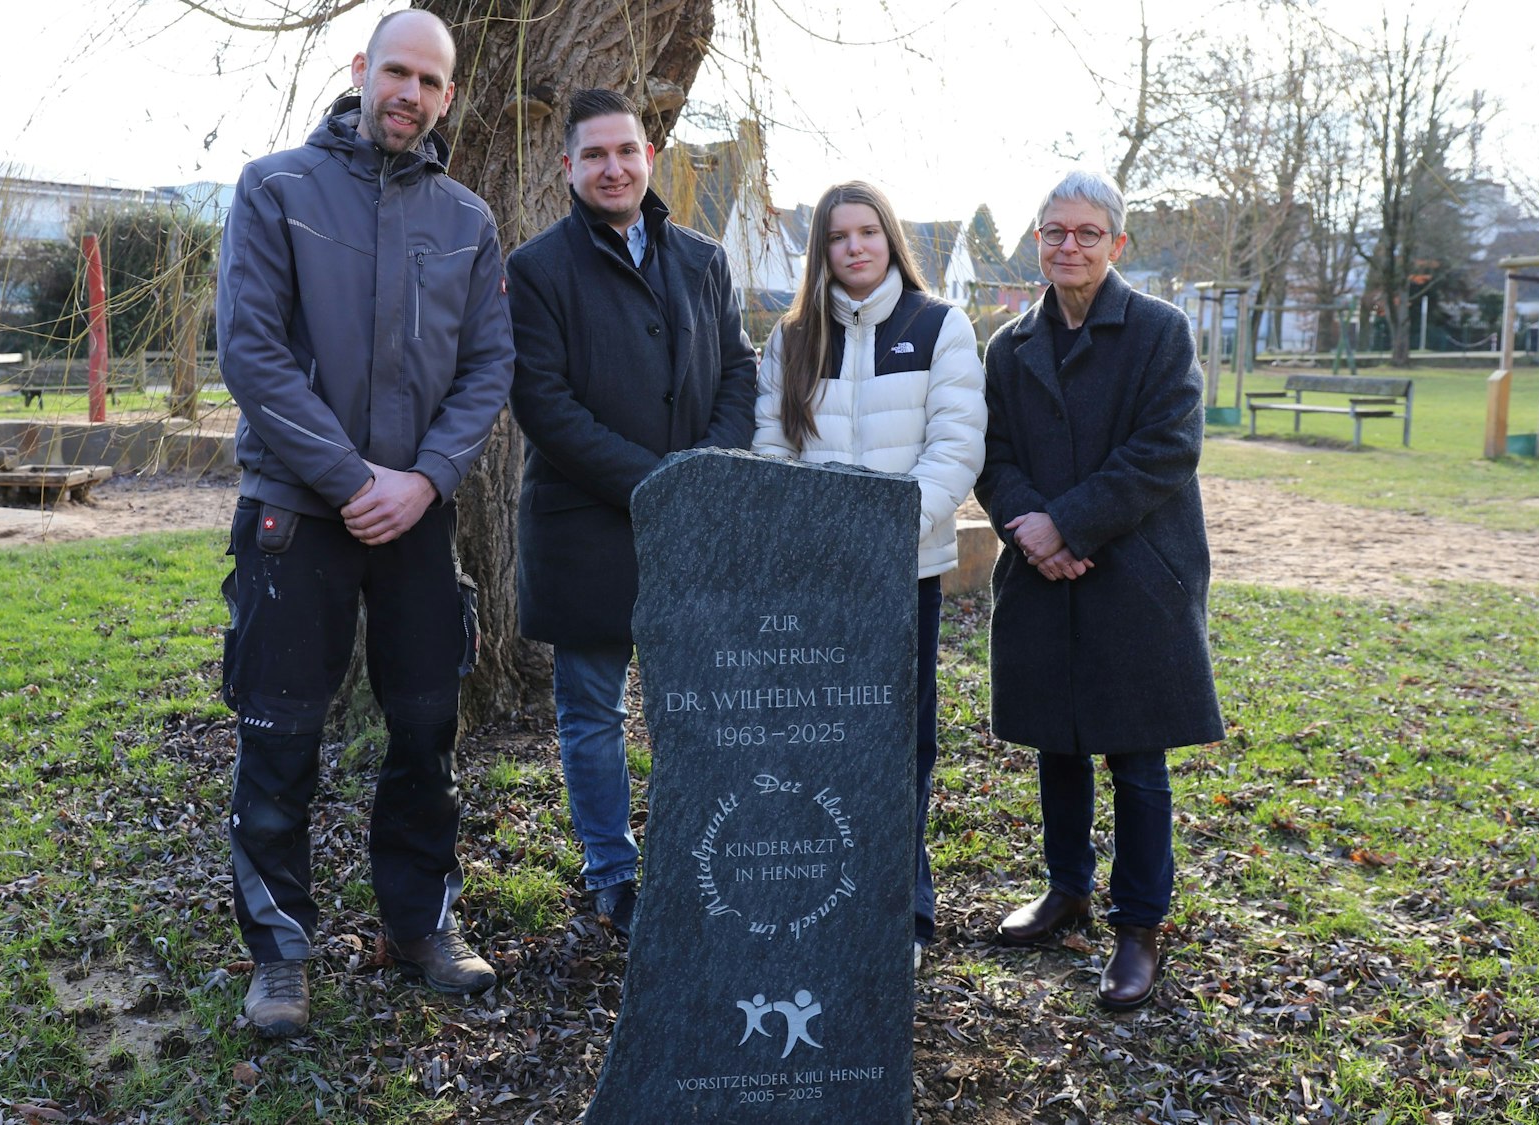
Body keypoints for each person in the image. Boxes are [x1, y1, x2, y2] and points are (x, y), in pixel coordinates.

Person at [214, 8, 516, 1036]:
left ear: (445, 95)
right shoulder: (276, 190)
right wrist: (349, 480)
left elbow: (487, 368)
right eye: (398, 72)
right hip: (296, 516)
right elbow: (250, 353)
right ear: (360, 71)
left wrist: (424, 480)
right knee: (278, 733)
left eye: (432, 83)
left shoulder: (467, 221)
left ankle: (419, 924)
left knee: (426, 728)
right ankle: (280, 953)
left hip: (418, 518)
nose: (412, 95)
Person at [506, 88, 757, 941]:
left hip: (692, 529)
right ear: (567, 166)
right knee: (592, 708)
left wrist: (699, 474)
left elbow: (738, 373)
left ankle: (698, 857)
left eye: (627, 151)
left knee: (695, 706)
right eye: (594, 155)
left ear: (650, 157)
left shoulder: (701, 257)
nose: (613, 167)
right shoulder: (536, 270)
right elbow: (543, 403)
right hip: (586, 528)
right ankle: (612, 872)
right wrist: (656, 483)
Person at [973, 170, 1224, 1011]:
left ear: (1117, 243)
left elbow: (1166, 448)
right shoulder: (1007, 347)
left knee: (1137, 753)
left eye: (1085, 233)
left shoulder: (1160, 332)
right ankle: (1066, 887)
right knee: (1058, 739)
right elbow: (991, 454)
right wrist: (1029, 526)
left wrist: (1069, 525)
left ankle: (1140, 923)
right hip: (1042, 570)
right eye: (1053, 232)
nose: (1067, 246)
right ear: (1036, 241)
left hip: (1139, 570)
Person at [753, 180, 987, 976]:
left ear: (891, 239)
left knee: (900, 744)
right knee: (816, 744)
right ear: (820, 250)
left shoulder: (939, 328)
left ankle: (904, 906)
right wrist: (810, 548)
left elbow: (955, 450)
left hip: (902, 572)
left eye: (868, 233)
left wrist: (880, 537)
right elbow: (773, 453)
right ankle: (817, 892)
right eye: (837, 237)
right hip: (814, 583)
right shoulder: (792, 340)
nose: (855, 248)